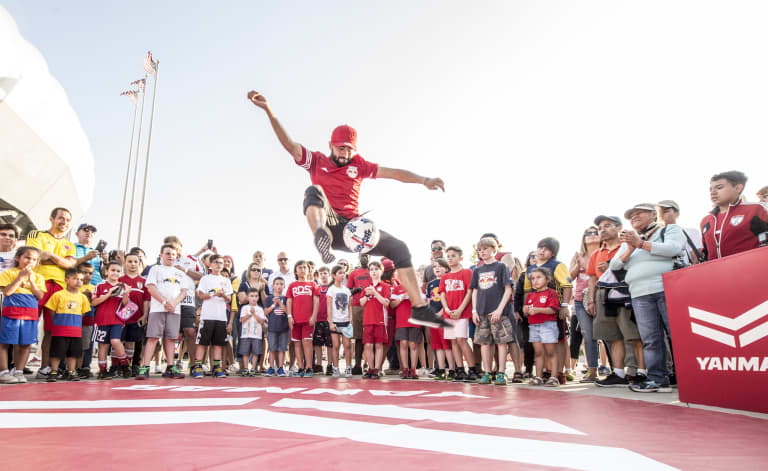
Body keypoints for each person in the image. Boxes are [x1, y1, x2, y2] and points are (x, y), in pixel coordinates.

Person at [247, 91, 447, 329]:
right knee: (315, 192)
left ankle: (420, 308)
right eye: (340, 149)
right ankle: (320, 234)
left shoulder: (359, 164)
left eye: (349, 149)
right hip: (327, 221)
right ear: (331, 145)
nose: (345, 154)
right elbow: (290, 145)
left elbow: (393, 173)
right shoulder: (317, 160)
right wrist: (269, 109)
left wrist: (424, 180)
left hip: (352, 231)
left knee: (400, 248)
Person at [611, 203, 685, 393]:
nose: (634, 217)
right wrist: (631, 247)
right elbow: (615, 265)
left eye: (639, 213)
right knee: (651, 338)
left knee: (678, 334)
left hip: (667, 288)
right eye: (631, 215)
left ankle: (691, 376)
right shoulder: (628, 242)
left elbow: (674, 248)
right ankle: (658, 380)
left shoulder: (669, 230)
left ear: (654, 215)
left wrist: (642, 244)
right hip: (639, 294)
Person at [587, 215, 645, 388]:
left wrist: (613, 264)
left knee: (634, 335)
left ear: (619, 228)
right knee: (613, 336)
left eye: (607, 225)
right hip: (603, 294)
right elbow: (591, 278)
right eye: (600, 227)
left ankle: (641, 373)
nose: (602, 229)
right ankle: (618, 373)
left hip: (625, 291)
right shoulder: (596, 253)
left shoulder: (629, 245)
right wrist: (591, 300)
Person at [26, 208, 78, 378]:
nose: (64, 222)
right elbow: (33, 256)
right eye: (61, 218)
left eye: (68, 220)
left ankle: (45, 367)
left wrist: (50, 256)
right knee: (27, 324)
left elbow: (70, 265)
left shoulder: (69, 245)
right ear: (51, 218)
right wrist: (59, 260)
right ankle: (16, 366)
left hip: (59, 289)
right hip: (37, 284)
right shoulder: (36, 235)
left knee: (51, 330)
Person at [522, 237, 572, 384]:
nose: (542, 251)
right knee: (539, 344)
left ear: (553, 252)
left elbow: (567, 285)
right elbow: (527, 289)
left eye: (546, 248)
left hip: (553, 308)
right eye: (540, 247)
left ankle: (558, 372)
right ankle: (543, 372)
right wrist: (526, 307)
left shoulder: (558, 265)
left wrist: (564, 305)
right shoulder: (530, 269)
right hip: (535, 312)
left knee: (559, 341)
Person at [137, 244, 187, 380]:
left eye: (173, 254)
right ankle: (145, 367)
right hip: (158, 308)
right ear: (161, 255)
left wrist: (174, 303)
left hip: (175, 310)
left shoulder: (180, 273)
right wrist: (165, 302)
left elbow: (183, 291)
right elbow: (151, 288)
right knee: (153, 337)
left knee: (171, 338)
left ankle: (170, 367)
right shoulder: (156, 269)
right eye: (167, 253)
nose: (170, 256)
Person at [471, 237, 516, 385]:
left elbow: (508, 290)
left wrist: (499, 309)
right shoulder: (477, 270)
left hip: (498, 312)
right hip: (482, 312)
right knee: (484, 343)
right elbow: (475, 291)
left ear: (493, 249)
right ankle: (487, 372)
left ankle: (501, 373)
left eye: (485, 248)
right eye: (480, 250)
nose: (482, 252)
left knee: (501, 343)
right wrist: (474, 311)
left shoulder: (501, 267)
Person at [0, 247, 45, 383]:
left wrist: (31, 281)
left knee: (25, 344)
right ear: (17, 258)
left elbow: (40, 295)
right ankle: (3, 372)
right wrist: (20, 277)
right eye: (27, 257)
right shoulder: (8, 273)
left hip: (30, 315)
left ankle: (19, 371)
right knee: (6, 342)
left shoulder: (38, 277)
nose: (30, 261)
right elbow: (7, 292)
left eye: (34, 259)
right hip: (11, 314)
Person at [701, 171, 768, 260]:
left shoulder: (756, 209)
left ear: (738, 188)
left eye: (719, 187)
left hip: (753, 270)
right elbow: (706, 254)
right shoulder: (706, 221)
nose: (712, 192)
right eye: (711, 189)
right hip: (717, 272)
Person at [164, 236, 204, 375]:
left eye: (175, 246)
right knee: (169, 334)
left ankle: (193, 365)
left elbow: (202, 276)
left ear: (180, 245)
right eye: (168, 247)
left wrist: (185, 270)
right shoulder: (164, 259)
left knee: (190, 332)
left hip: (188, 301)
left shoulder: (191, 260)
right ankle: (170, 365)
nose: (173, 250)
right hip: (170, 302)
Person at [44, 268, 90, 382]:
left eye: (80, 279)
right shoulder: (58, 295)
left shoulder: (83, 297)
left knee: (73, 352)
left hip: (75, 331)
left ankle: (71, 371)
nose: (78, 281)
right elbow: (51, 311)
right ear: (66, 280)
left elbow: (83, 312)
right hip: (60, 330)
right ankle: (54, 371)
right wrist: (59, 322)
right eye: (75, 278)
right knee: (57, 352)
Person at [439, 246, 478, 381]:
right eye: (448, 256)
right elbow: (442, 294)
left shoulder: (467, 272)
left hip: (462, 313)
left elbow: (469, 292)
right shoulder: (445, 276)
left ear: (460, 258)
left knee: (462, 340)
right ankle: (459, 369)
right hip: (449, 313)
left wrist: (460, 309)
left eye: (453, 256)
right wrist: (447, 309)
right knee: (454, 341)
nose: (450, 258)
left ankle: (472, 369)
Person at [569, 226, 601, 382]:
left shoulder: (603, 253)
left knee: (608, 336)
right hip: (581, 299)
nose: (593, 235)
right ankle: (592, 370)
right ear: (584, 238)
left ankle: (618, 371)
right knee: (588, 336)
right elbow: (569, 277)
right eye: (589, 233)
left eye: (596, 233)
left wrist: (586, 265)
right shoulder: (578, 255)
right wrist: (578, 264)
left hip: (601, 297)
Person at [91, 261, 131, 379]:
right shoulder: (100, 286)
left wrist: (125, 294)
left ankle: (124, 365)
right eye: (113, 270)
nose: (115, 273)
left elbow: (126, 305)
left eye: (118, 271)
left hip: (117, 320)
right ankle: (102, 370)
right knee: (103, 345)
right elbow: (94, 302)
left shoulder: (123, 286)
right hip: (101, 320)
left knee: (115, 341)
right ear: (106, 272)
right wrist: (108, 294)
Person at [523, 267, 561, 387]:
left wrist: (538, 310)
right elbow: (527, 310)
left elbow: (553, 310)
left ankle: (554, 377)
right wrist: (525, 310)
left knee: (551, 352)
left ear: (547, 279)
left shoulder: (551, 293)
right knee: (538, 353)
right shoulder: (530, 295)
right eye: (532, 278)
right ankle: (538, 376)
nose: (535, 281)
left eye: (538, 277)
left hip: (548, 325)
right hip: (534, 326)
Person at [119, 253, 151, 376]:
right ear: (125, 263)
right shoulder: (120, 280)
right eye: (129, 261)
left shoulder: (144, 281)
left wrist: (145, 315)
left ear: (139, 264)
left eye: (135, 262)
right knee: (119, 341)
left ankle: (135, 365)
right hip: (121, 318)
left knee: (136, 341)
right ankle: (120, 365)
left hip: (137, 317)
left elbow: (146, 300)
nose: (132, 264)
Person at [359, 260, 391, 379]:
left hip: (380, 320)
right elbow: (361, 302)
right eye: (371, 269)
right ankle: (370, 368)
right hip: (368, 320)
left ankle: (377, 369)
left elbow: (386, 303)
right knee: (367, 345)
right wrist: (368, 294)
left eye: (376, 269)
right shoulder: (367, 287)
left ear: (381, 271)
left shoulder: (385, 286)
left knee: (378, 345)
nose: (374, 272)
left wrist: (375, 293)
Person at [286, 260, 317, 377]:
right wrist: (289, 316)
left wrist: (314, 315)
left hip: (308, 320)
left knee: (307, 342)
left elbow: (316, 301)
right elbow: (289, 301)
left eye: (305, 267)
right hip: (295, 320)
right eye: (300, 267)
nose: (302, 269)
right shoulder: (292, 285)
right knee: (297, 344)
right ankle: (300, 367)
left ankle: (309, 367)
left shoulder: (313, 285)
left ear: (309, 270)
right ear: (295, 271)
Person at [391, 270, 423, 380]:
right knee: (403, 343)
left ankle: (413, 369)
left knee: (413, 344)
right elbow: (392, 304)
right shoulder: (397, 288)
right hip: (401, 320)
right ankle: (405, 368)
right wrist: (401, 298)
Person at [427, 259, 455, 380]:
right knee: (437, 346)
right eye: (435, 267)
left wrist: (441, 312)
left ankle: (453, 369)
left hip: (444, 317)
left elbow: (449, 299)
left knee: (446, 345)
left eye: (440, 266)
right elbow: (429, 301)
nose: (437, 269)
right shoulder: (431, 284)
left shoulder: (448, 281)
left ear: (446, 268)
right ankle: (441, 370)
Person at [346, 253, 372, 374]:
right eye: (362, 255)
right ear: (358, 257)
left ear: (370, 257)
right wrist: (356, 290)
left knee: (371, 336)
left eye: (366, 255)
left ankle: (371, 365)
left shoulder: (373, 270)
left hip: (372, 306)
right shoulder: (354, 273)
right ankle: (357, 365)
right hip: (357, 306)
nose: (364, 257)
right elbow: (347, 290)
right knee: (358, 337)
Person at [656, 200, 703, 265]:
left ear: (677, 214)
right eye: (659, 212)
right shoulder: (654, 237)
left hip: (687, 272)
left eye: (666, 211)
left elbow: (696, 259)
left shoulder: (692, 232)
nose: (661, 215)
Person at [327, 264, 353, 377]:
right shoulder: (331, 290)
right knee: (336, 346)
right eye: (340, 273)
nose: (342, 275)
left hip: (346, 321)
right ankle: (335, 368)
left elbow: (349, 306)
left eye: (344, 273)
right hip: (335, 322)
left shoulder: (347, 290)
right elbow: (329, 307)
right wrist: (330, 322)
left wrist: (351, 319)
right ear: (333, 275)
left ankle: (348, 367)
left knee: (347, 345)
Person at [264, 277, 289, 376]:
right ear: (273, 286)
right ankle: (271, 367)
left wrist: (280, 303)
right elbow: (266, 312)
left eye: (281, 284)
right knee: (272, 348)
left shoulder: (286, 298)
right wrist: (274, 304)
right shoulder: (269, 298)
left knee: (282, 349)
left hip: (284, 328)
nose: (279, 286)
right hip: (272, 328)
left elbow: (288, 311)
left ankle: (280, 367)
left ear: (284, 286)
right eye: (277, 284)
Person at [238, 289, 266, 376]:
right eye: (252, 296)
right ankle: (246, 368)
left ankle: (253, 368)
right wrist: (249, 314)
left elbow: (261, 321)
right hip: (246, 334)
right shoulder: (244, 308)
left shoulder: (260, 309)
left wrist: (254, 314)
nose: (254, 298)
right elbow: (242, 320)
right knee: (245, 352)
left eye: (256, 296)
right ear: (247, 297)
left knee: (255, 352)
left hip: (256, 335)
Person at [312, 266, 333, 375]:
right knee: (318, 343)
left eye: (325, 273)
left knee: (330, 344)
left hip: (329, 320)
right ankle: (319, 365)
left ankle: (330, 365)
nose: (323, 275)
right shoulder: (316, 288)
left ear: (329, 274)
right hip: (318, 320)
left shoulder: (333, 288)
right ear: (318, 276)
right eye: (321, 274)